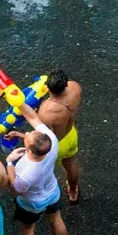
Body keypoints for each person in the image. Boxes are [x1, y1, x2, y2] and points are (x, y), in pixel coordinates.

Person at [5, 102, 74, 235]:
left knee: (28, 229)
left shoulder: (27, 171)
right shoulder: (51, 141)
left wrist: (9, 163)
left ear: (29, 148)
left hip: (32, 203)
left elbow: (16, 190)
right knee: (55, 218)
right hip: (52, 192)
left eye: (28, 135)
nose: (28, 132)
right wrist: (19, 102)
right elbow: (32, 117)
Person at [37, 68, 82, 205]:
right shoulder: (75, 87)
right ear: (66, 84)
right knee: (71, 164)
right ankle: (73, 192)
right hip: (71, 134)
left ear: (48, 88)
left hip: (55, 144)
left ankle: (46, 193)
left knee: (45, 169)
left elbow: (40, 132)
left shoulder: (46, 110)